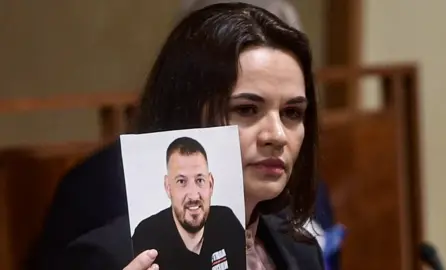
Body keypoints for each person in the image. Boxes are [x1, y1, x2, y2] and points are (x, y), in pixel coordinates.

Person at [28, 3, 324, 269]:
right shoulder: (106, 256)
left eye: (292, 113)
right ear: (189, 112)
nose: (277, 135)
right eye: (246, 109)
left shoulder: (300, 249)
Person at [131, 137, 245, 269]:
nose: (193, 195)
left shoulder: (227, 222)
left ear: (211, 184)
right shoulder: (146, 237)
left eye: (200, 180)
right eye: (181, 182)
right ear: (168, 188)